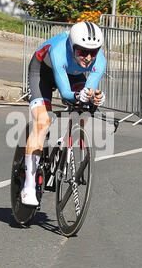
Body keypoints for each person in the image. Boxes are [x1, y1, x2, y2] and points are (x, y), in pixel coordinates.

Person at [21, 21, 107, 206]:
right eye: (83, 51)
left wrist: (95, 97)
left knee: (82, 112)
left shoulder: (99, 61)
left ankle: (67, 150)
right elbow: (66, 93)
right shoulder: (59, 50)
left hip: (72, 74)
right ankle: (28, 186)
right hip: (42, 73)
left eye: (94, 51)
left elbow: (88, 92)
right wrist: (78, 94)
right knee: (42, 122)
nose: (89, 57)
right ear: (72, 46)